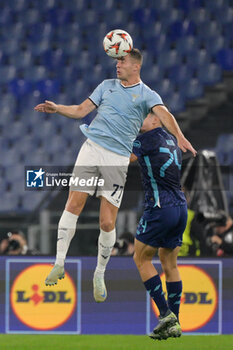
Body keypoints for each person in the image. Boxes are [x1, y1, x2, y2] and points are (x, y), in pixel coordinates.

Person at [34, 48, 196, 303]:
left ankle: (99, 273)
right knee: (74, 204)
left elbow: (165, 114)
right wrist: (58, 109)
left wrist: (181, 137)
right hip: (91, 148)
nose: (117, 65)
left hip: (117, 158)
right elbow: (80, 110)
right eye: (117, 61)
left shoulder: (147, 95)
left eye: (122, 61)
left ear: (136, 67)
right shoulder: (106, 86)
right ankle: (59, 262)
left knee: (107, 223)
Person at [131, 113, 188, 340]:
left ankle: (165, 313)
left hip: (159, 207)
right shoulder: (172, 139)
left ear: (156, 119)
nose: (139, 120)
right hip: (180, 207)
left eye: (143, 116)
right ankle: (174, 321)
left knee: (141, 258)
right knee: (169, 263)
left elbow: (126, 158)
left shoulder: (146, 139)